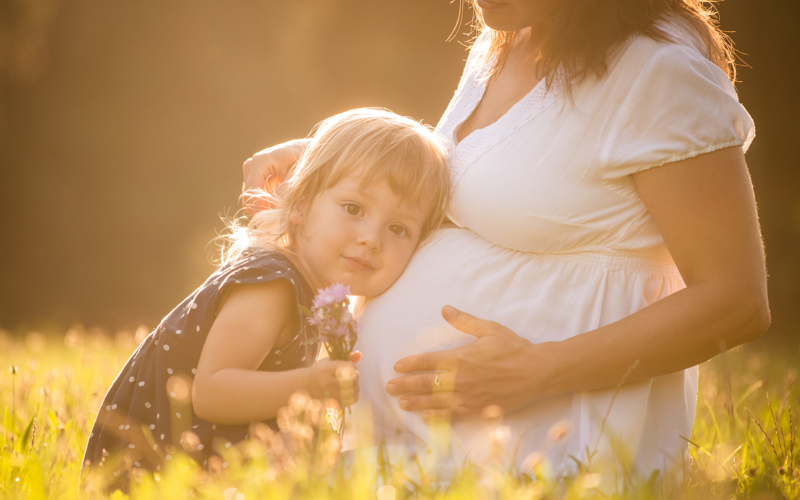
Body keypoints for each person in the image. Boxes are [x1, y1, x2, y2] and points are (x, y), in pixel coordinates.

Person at [241, 0, 770, 479]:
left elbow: (735, 300)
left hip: (547, 453)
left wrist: (537, 371)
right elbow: (494, 173)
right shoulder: (511, 32)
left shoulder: (658, 71)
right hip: (411, 449)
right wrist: (333, 157)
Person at [82, 108, 450, 488]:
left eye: (398, 228)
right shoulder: (273, 285)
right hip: (151, 472)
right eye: (353, 209)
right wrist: (308, 385)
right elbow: (211, 391)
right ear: (301, 205)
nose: (372, 238)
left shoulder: (304, 287)